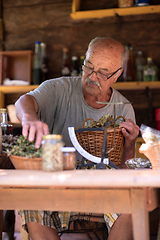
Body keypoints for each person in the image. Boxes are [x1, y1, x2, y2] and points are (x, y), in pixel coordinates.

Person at [15, 36, 139, 240]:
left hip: (103, 194)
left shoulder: (123, 109)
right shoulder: (58, 89)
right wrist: (29, 118)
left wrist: (130, 144)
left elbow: (125, 173)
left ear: (117, 75)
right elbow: (24, 101)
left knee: (132, 200)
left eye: (103, 72)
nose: (92, 76)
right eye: (89, 66)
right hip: (56, 188)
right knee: (30, 198)